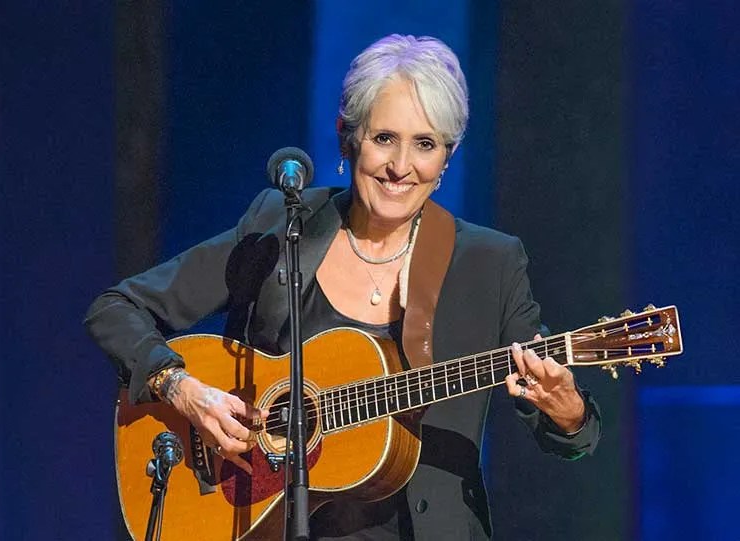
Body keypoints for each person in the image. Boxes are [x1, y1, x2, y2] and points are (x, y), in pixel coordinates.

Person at [86, 34, 600, 540]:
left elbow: (572, 438)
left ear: (447, 157)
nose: (401, 167)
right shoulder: (280, 225)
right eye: (383, 139)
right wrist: (182, 389)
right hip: (257, 518)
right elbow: (116, 308)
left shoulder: (488, 262)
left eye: (425, 144)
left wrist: (568, 411)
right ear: (345, 137)